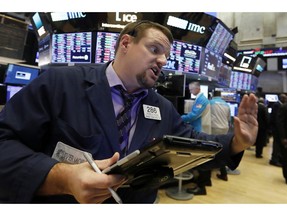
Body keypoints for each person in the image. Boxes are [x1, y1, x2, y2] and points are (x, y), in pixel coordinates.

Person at [0, 20, 258, 203]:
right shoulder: (61, 83)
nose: (162, 61)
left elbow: (195, 145)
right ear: (125, 43)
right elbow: (5, 143)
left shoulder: (161, 107)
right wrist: (61, 177)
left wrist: (236, 142)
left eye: (166, 56)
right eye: (155, 49)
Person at [210, 90, 231, 181]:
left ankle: (209, 171)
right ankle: (223, 172)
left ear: (213, 95)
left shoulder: (210, 103)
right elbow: (228, 118)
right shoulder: (226, 104)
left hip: (214, 128)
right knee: (222, 149)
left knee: (211, 149)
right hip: (224, 128)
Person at [269, 93, 287, 166]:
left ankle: (277, 158)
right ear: (282, 98)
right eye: (285, 98)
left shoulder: (279, 105)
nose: (286, 100)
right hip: (276, 129)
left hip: (277, 129)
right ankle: (274, 160)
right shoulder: (277, 105)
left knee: (278, 145)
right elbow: (277, 119)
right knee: (276, 145)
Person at [277, 101, 287, 184]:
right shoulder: (284, 107)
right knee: (286, 158)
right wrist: (283, 137)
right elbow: (280, 123)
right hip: (286, 137)